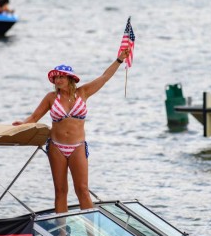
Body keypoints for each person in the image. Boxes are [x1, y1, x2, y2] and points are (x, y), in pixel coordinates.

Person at [12, 49, 131, 219]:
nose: (58, 80)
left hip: (78, 146)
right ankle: (62, 234)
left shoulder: (83, 92)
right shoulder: (51, 98)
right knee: (60, 191)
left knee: (82, 189)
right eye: (56, 78)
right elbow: (34, 117)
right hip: (56, 147)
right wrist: (21, 125)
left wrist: (119, 60)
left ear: (69, 78)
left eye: (61, 77)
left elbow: (104, 77)